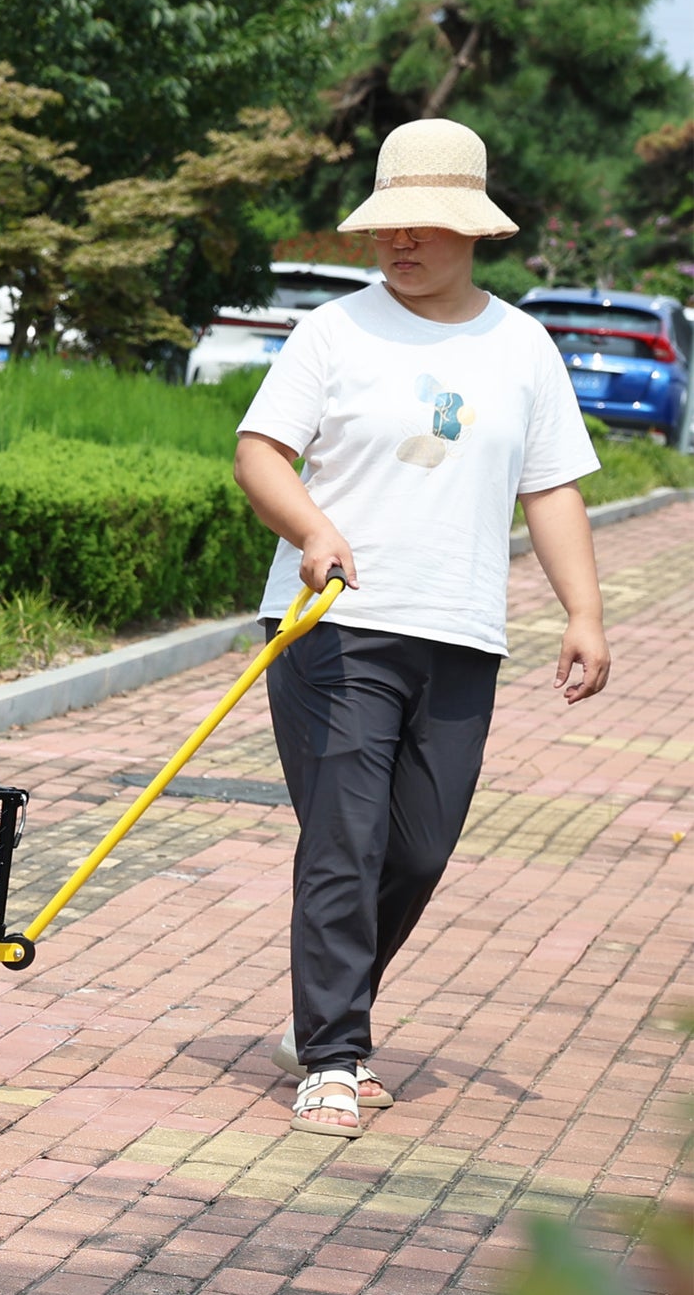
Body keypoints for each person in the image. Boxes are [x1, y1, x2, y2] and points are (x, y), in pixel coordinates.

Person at [233, 118, 610, 1139]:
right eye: (388, 223)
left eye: (427, 225)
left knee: (419, 846)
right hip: (332, 622)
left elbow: (551, 490)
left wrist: (581, 612)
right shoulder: (334, 332)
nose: (402, 242)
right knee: (344, 840)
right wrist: (310, 527)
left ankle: (320, 1012)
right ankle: (331, 1054)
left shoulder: (520, 345)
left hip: (458, 632)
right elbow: (259, 452)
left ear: (474, 230)